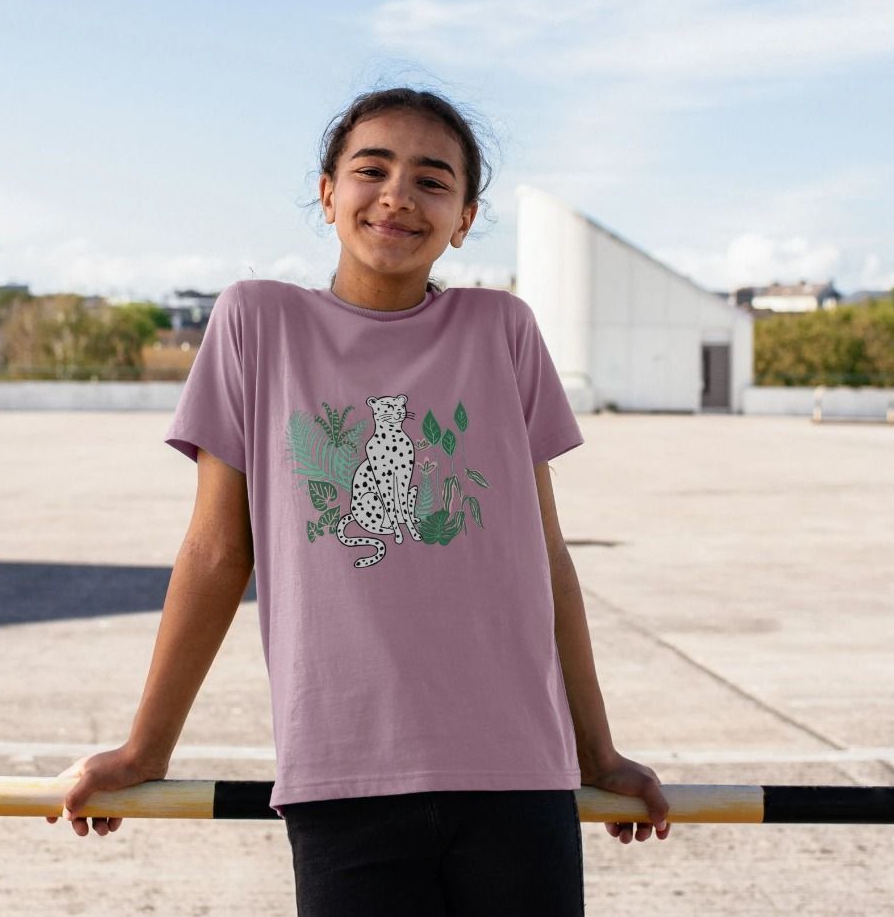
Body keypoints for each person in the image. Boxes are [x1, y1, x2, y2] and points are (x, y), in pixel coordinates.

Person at [47, 86, 672, 915]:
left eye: (432, 180)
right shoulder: (255, 321)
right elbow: (214, 552)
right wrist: (145, 747)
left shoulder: (503, 329)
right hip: (344, 775)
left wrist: (599, 752)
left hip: (519, 773)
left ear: (464, 218)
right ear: (327, 192)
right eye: (371, 169)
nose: (397, 196)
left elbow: (543, 556)